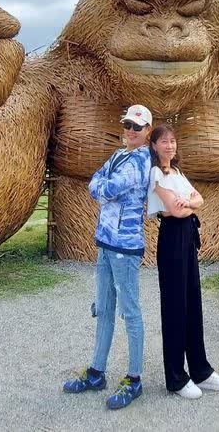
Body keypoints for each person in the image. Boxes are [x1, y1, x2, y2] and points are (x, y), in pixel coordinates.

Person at [63, 104, 154, 410]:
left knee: (130, 312)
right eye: (127, 125)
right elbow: (96, 182)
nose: (130, 131)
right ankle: (96, 372)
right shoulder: (118, 156)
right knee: (103, 309)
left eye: (137, 127)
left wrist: (101, 186)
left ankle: (134, 378)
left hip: (125, 247)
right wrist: (101, 186)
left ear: (147, 132)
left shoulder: (141, 161)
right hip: (104, 241)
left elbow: (110, 187)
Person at [147, 123, 219, 399]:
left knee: (193, 303)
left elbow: (200, 199)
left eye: (172, 141)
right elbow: (173, 209)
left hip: (187, 236)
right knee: (174, 307)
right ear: (154, 145)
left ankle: (201, 370)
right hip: (171, 238)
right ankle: (176, 377)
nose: (169, 146)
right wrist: (186, 204)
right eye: (163, 141)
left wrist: (189, 204)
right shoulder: (155, 174)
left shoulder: (179, 173)